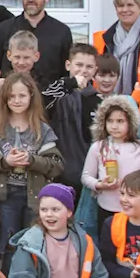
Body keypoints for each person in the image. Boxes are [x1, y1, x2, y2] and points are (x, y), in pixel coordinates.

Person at [0, 72, 62, 265]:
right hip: (7, 196)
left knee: (31, 244)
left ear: (31, 96)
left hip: (35, 196)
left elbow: (56, 165)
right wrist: (6, 162)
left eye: (22, 96)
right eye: (11, 96)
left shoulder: (42, 129)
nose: (16, 100)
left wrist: (32, 160)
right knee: (8, 243)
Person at [81, 94, 140, 232]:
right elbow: (86, 177)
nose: (114, 126)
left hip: (135, 212)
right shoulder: (99, 147)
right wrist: (100, 185)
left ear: (130, 122)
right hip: (107, 210)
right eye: (110, 121)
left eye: (120, 121)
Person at [0, 0, 73, 91]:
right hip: (10, 102)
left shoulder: (62, 32)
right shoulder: (4, 29)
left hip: (49, 105)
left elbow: (66, 73)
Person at [45, 44, 100, 189]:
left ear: (95, 70)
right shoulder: (57, 93)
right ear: (68, 65)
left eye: (89, 67)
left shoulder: (99, 100)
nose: (83, 70)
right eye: (79, 65)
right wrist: (69, 84)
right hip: (58, 171)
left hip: (87, 172)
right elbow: (43, 98)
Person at [0, 30, 41, 114]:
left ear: (36, 56)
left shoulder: (41, 82)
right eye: (17, 57)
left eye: (26, 58)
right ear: (9, 55)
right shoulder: (0, 80)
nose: (21, 62)